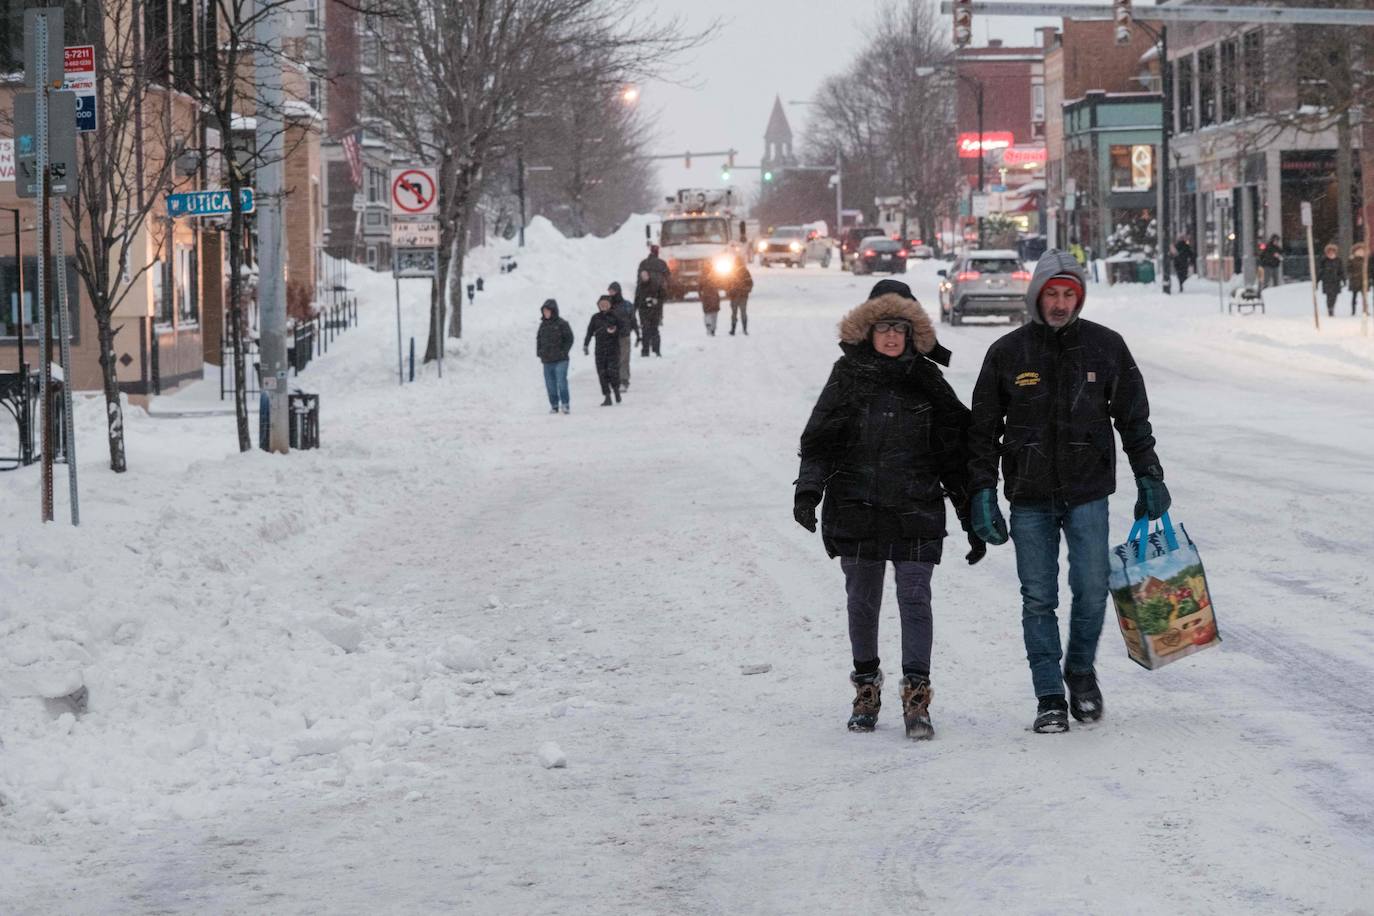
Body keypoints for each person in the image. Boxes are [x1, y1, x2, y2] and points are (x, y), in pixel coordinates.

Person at [967, 250, 1169, 735]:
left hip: (1087, 491)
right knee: (1038, 597)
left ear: (1078, 297)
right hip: (1029, 495)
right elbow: (981, 432)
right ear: (1037, 295)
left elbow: (1133, 419)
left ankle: (1079, 671)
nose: (1059, 304)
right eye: (1052, 294)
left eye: (1068, 295)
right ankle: (1049, 696)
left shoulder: (1106, 347)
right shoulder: (1007, 353)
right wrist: (981, 492)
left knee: (1093, 590)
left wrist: (1149, 475)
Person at [794, 279, 982, 740]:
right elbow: (819, 441)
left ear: (912, 332)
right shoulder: (847, 377)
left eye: (900, 327)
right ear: (868, 331)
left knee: (915, 598)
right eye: (883, 327)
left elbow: (954, 456)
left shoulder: (928, 383)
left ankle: (917, 695)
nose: (892, 336)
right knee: (862, 601)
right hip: (856, 506)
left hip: (915, 507)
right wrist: (808, 491)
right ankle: (866, 689)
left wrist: (971, 518)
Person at [583, 295, 624, 406]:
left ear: (610, 305)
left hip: (613, 349)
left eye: (606, 304)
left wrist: (615, 331)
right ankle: (607, 397)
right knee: (602, 373)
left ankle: (616, 391)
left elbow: (623, 329)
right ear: (598, 305)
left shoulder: (615, 316)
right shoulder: (595, 317)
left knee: (612, 372)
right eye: (601, 304)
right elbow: (589, 332)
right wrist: (586, 344)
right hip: (600, 350)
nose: (603, 306)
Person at [536, 298, 573, 414]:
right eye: (544, 311)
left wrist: (564, 352)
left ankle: (565, 404)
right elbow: (539, 340)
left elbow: (569, 339)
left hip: (561, 360)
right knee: (550, 384)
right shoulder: (543, 325)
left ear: (553, 311)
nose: (545, 313)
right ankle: (554, 405)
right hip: (547, 360)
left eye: (547, 311)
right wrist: (540, 352)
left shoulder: (562, 324)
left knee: (561, 382)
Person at [635, 245, 670, 357]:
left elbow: (638, 281)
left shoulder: (643, 263)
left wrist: (635, 307)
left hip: (643, 302)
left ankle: (645, 350)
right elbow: (668, 277)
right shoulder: (662, 264)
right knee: (654, 327)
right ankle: (656, 349)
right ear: (657, 252)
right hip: (657, 299)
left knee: (645, 327)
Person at [607, 281, 638, 392]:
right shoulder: (606, 305)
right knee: (613, 359)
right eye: (609, 291)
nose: (611, 293)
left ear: (618, 291)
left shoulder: (627, 305)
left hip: (624, 336)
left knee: (623, 359)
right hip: (611, 337)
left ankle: (624, 381)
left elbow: (633, 320)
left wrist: (638, 334)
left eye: (613, 291)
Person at [1317, 242, 1346, 318]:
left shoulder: (1338, 260)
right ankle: (1330, 309)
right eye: (1329, 252)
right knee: (1329, 296)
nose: (1331, 253)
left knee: (1335, 296)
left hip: (1336, 281)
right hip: (1327, 281)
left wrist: (1344, 280)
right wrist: (1317, 281)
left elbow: (1341, 271)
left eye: (1333, 252)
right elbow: (1320, 271)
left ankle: (1332, 306)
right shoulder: (1324, 261)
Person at [729, 260, 754, 336]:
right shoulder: (745, 272)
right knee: (743, 312)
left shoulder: (732, 272)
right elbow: (750, 283)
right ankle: (744, 329)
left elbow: (727, 283)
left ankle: (733, 329)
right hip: (743, 295)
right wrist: (747, 290)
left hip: (735, 295)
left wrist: (730, 291)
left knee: (734, 313)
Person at [1350, 243, 1369, 316]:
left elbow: (1369, 269)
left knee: (1364, 297)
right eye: (1359, 251)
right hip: (1355, 281)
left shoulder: (1366, 260)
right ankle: (1353, 311)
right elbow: (1349, 269)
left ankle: (1365, 310)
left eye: (1362, 251)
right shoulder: (1352, 259)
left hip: (1363, 281)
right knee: (1354, 297)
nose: (1360, 252)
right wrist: (1353, 275)